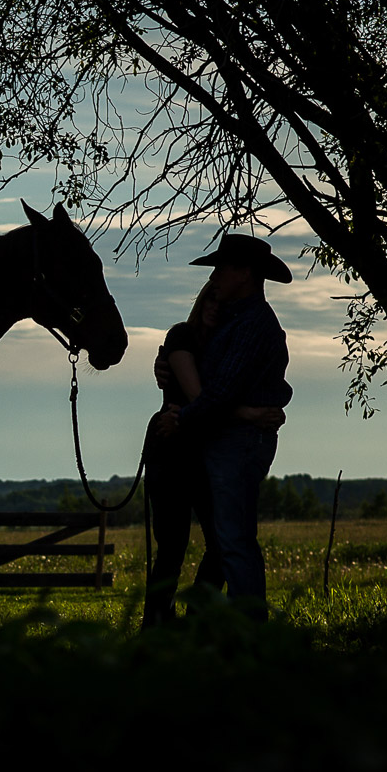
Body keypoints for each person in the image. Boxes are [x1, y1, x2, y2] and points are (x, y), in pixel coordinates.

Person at [153, 233, 292, 621]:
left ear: (244, 273)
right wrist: (167, 371)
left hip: (237, 443)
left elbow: (220, 394)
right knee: (229, 539)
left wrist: (179, 418)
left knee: (233, 541)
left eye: (220, 268)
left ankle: (246, 628)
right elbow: (207, 382)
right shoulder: (235, 322)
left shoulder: (252, 324)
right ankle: (219, 623)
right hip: (229, 439)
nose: (213, 277)